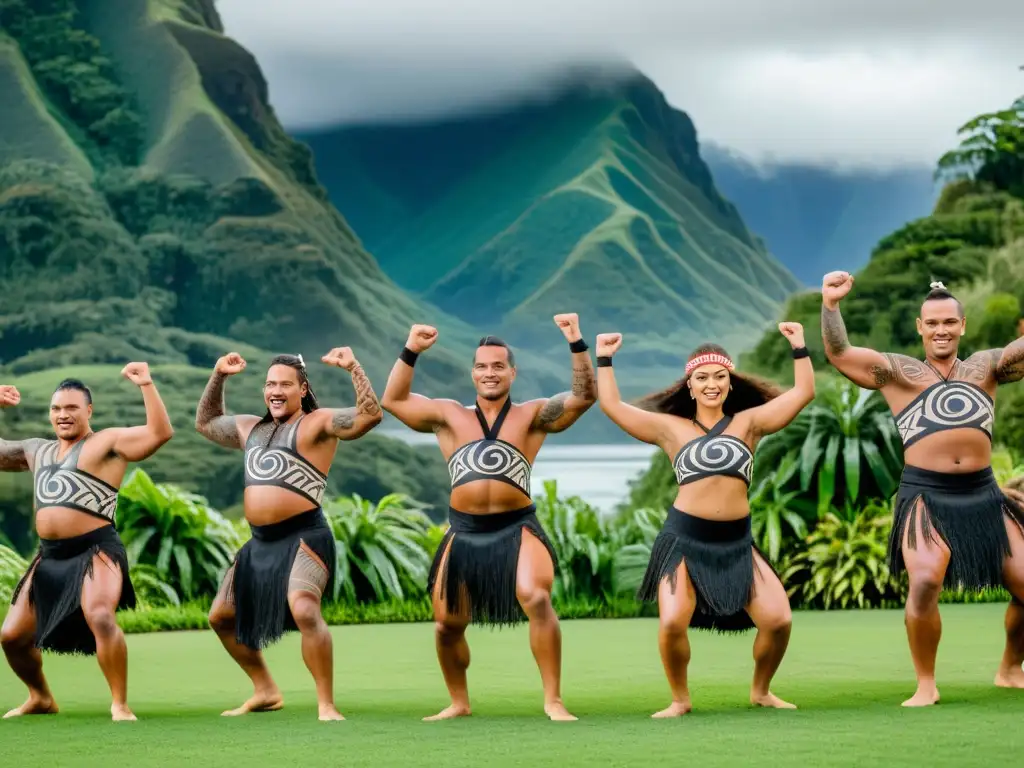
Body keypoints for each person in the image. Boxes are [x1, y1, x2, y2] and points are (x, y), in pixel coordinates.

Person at [380, 314, 597, 722]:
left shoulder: (533, 415)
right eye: (481, 366)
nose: (489, 373)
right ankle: (459, 702)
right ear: (472, 373)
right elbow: (393, 400)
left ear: (512, 372)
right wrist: (411, 349)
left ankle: (553, 700)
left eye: (498, 366)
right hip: (465, 530)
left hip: (518, 527)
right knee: (447, 624)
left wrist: (576, 342)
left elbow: (583, 397)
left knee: (535, 595)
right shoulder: (448, 416)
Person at [820, 273, 1024, 706]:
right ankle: (926, 683)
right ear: (920, 327)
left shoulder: (985, 367)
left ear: (963, 326)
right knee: (927, 578)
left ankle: (1010, 667)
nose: (941, 330)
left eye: (949, 322)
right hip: (926, 495)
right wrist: (831, 306)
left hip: (984, 494)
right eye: (932, 323)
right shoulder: (898, 373)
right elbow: (839, 353)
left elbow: (1016, 355)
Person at [595, 324, 813, 716]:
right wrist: (604, 358)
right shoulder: (670, 429)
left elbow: (803, 393)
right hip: (685, 539)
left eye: (719, 377)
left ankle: (761, 691)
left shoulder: (749, 424)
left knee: (778, 620)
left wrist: (799, 347)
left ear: (730, 383)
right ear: (689, 386)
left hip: (736, 542)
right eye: (702, 378)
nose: (711, 384)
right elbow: (612, 406)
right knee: (673, 621)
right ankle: (680, 699)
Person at [194, 348, 382, 721]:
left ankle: (326, 704)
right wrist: (219, 375)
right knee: (220, 617)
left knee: (304, 609)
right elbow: (207, 421)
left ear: (302, 389)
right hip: (259, 543)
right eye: (269, 384)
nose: (275, 391)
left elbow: (369, 416)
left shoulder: (318, 424)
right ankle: (265, 690)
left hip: (304, 537)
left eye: (284, 384)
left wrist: (354, 368)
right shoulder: (250, 428)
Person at [0, 368, 174, 721]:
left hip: (96, 549)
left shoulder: (106, 443)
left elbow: (160, 433)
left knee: (100, 615)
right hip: (49, 557)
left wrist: (146, 385)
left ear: (89, 411)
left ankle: (119, 703)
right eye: (56, 409)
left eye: (72, 408)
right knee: (11, 636)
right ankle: (41, 697)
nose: (63, 415)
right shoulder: (37, 450)